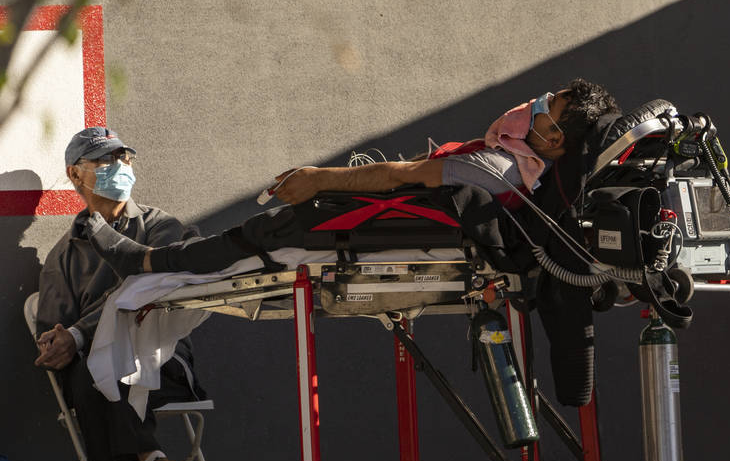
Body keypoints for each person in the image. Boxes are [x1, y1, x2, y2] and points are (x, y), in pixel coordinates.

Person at [87, 79, 619, 277]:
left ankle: (147, 262)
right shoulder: (514, 171)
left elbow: (401, 177)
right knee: (258, 233)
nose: (535, 104)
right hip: (387, 220)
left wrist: (321, 179)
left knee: (255, 235)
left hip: (361, 224)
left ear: (553, 143)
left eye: (547, 107)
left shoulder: (497, 169)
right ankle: (154, 260)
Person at [35, 127, 206, 461]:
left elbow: (152, 288)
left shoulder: (161, 227)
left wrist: (79, 334)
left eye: (124, 157)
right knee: (92, 369)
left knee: (98, 371)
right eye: (105, 160)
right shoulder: (62, 256)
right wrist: (53, 343)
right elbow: (53, 329)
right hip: (94, 372)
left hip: (163, 361)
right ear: (75, 174)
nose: (120, 165)